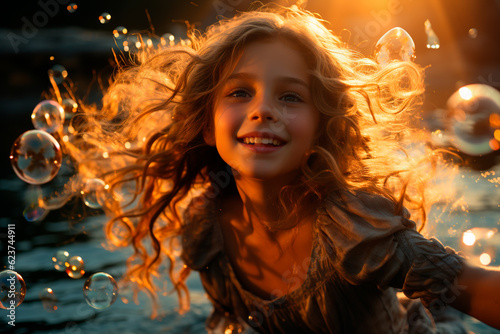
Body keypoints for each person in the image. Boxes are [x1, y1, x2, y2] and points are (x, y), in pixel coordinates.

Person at [68, 5, 500, 333]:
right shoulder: (208, 231)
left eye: (290, 97)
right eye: (239, 92)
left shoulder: (354, 231)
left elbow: (477, 288)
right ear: (205, 124)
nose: (263, 111)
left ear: (320, 127)